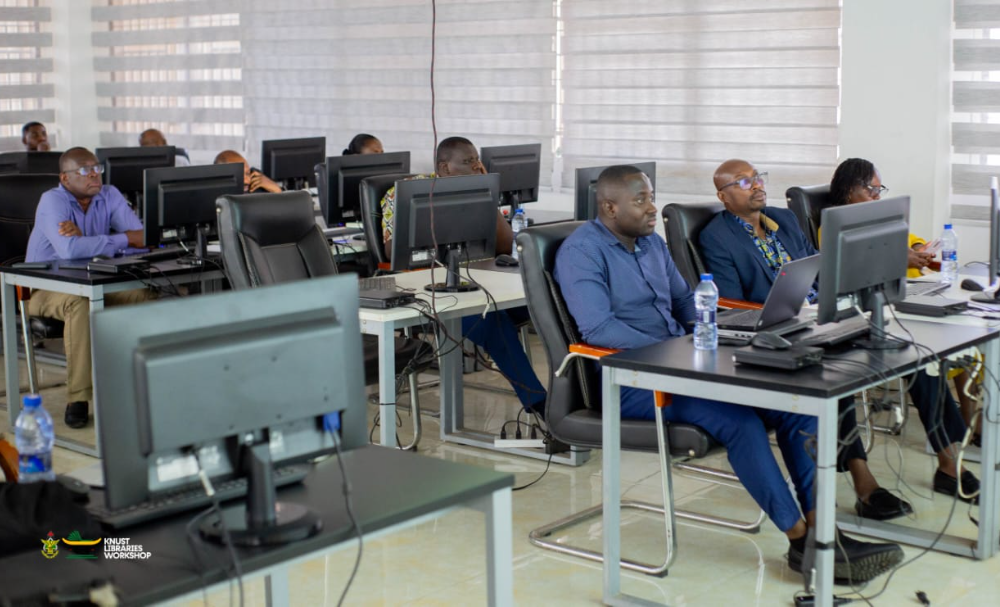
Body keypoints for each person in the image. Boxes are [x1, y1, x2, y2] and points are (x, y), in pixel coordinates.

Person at [554, 164, 902, 582]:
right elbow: (599, 329)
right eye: (642, 200)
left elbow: (685, 303)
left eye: (652, 196)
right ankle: (799, 541)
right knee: (739, 422)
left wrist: (721, 332)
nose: (653, 207)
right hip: (627, 378)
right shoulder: (582, 251)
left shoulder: (650, 244)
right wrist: (676, 352)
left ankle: (824, 536)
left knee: (798, 409)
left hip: (678, 363)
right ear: (610, 207)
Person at [700, 158, 980, 504]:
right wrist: (792, 313)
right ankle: (864, 482)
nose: (757, 185)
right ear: (723, 196)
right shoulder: (716, 236)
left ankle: (949, 464)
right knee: (836, 371)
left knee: (916, 353)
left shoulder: (784, 220)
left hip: (823, 313)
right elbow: (730, 304)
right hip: (775, 331)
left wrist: (842, 295)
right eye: (743, 182)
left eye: (757, 178)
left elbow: (818, 270)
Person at [380, 136, 545, 414]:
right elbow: (391, 251)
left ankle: (583, 392)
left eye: (477, 160)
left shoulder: (474, 190)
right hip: (428, 292)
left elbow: (505, 245)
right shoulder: (405, 192)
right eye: (468, 162)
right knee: (493, 321)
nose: (477, 166)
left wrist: (487, 194)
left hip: (478, 281)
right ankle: (540, 405)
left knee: (548, 303)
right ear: (444, 168)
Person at [830, 157, 982, 447]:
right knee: (926, 354)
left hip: (904, 294)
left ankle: (968, 425)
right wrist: (902, 258)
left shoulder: (875, 216)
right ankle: (954, 448)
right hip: (873, 309)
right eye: (870, 190)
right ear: (850, 190)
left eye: (879, 189)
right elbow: (855, 265)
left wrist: (915, 248)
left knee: (957, 337)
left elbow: (908, 237)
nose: (876, 196)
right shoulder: (834, 226)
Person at [24, 147, 157, 428]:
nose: (94, 174)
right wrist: (118, 240)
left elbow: (143, 239)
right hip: (44, 286)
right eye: (84, 170)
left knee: (144, 294)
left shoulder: (109, 194)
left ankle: (141, 385)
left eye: (96, 168)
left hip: (93, 279)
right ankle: (79, 398)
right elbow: (70, 250)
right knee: (79, 304)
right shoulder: (52, 201)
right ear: (65, 178)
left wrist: (91, 238)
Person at [213, 150, 282, 194]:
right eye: (240, 176)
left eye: (247, 173)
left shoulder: (256, 182)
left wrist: (277, 189)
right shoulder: (215, 195)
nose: (247, 181)